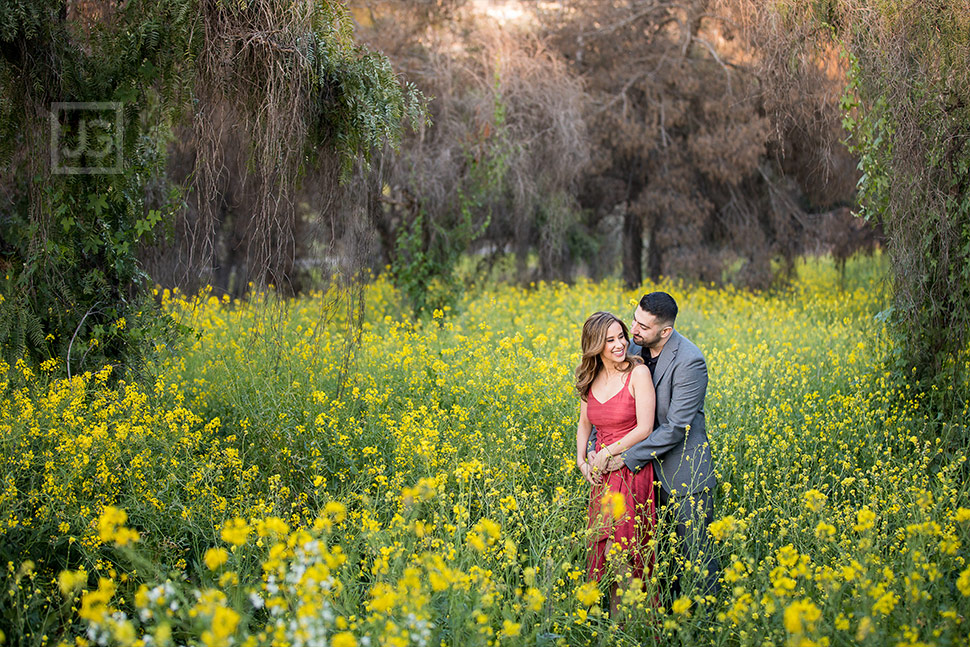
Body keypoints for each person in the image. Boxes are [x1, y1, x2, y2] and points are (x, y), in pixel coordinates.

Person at [590, 291, 719, 600]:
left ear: (666, 331)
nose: (633, 330)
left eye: (643, 326)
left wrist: (623, 457)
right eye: (634, 319)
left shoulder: (690, 360)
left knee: (694, 557)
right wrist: (595, 447)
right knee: (649, 554)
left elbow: (675, 428)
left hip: (682, 472)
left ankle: (702, 625)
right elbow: (606, 400)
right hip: (639, 477)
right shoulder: (630, 347)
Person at [574, 311, 657, 612]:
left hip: (631, 471)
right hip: (601, 477)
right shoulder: (590, 376)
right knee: (601, 553)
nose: (620, 344)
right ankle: (614, 623)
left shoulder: (638, 373)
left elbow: (645, 428)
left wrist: (608, 452)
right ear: (595, 345)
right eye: (610, 340)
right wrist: (582, 461)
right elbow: (585, 423)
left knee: (622, 553)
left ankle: (635, 623)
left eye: (621, 336)